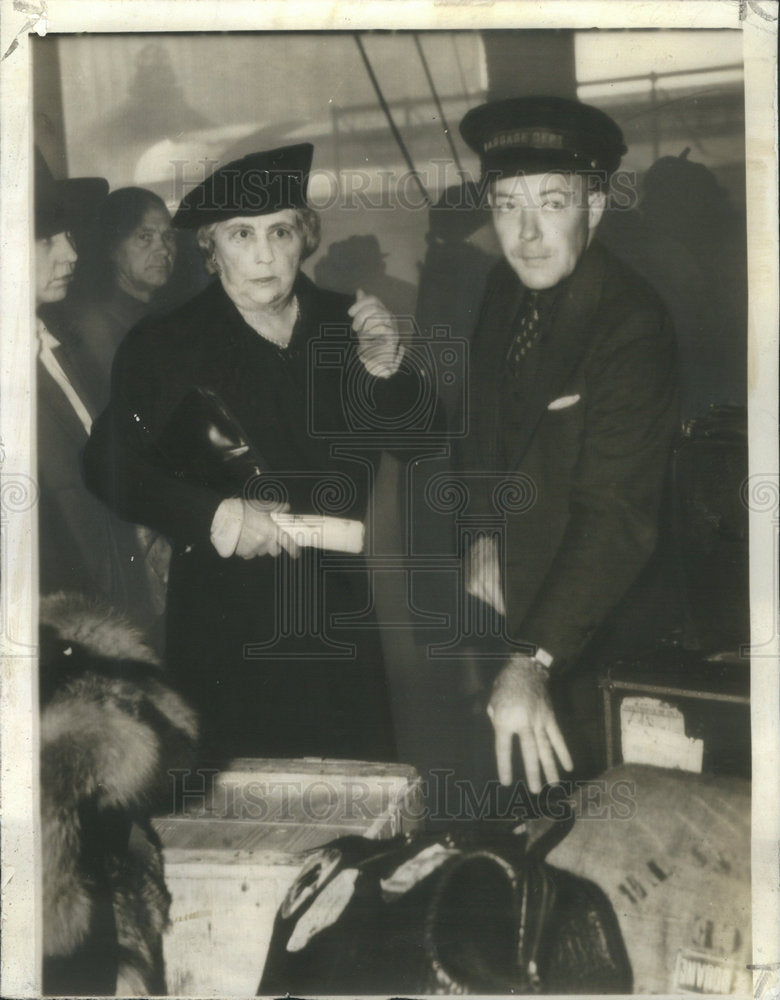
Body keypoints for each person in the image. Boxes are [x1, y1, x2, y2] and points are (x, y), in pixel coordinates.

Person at [83, 143, 436, 766]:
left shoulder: (343, 322)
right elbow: (107, 466)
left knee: (359, 796)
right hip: (227, 621)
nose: (266, 254)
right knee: (243, 813)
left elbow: (422, 441)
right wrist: (215, 516)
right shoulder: (166, 343)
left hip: (338, 611)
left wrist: (388, 371)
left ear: (306, 236)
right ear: (210, 248)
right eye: (242, 234)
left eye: (281, 231)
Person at [456, 97, 679, 792]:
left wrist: (532, 659)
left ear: (596, 205)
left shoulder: (633, 323)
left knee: (603, 825)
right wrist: (481, 534)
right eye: (505, 205)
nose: (526, 233)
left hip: (598, 633)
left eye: (552, 202)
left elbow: (615, 514)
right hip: (511, 619)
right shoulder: (501, 287)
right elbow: (480, 434)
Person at [58, 187, 178, 412]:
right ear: (112, 247)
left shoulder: (162, 314)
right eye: (145, 237)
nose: (163, 249)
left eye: (168, 236)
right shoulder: (94, 326)